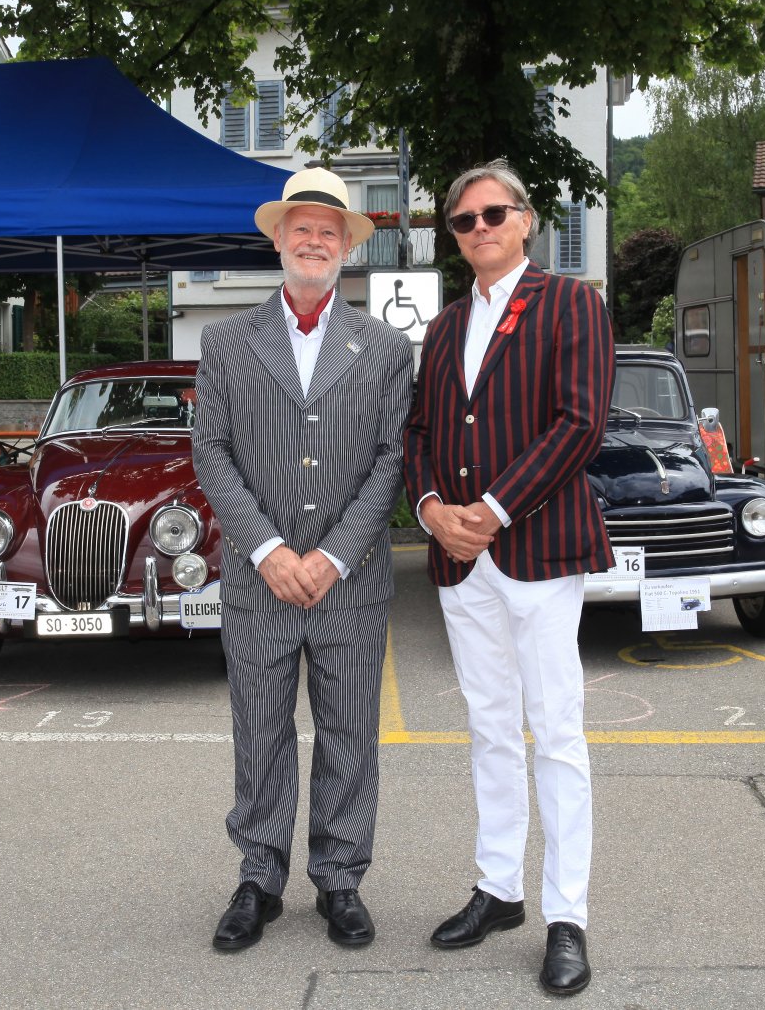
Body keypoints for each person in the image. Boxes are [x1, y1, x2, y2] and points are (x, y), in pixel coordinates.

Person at [402, 159, 615, 997]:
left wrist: (492, 508)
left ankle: (568, 915)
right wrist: (430, 508)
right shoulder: (444, 326)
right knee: (489, 727)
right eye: (464, 220)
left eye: (493, 213)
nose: (480, 227)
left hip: (536, 548)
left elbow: (580, 423)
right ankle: (499, 887)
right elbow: (420, 431)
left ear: (525, 219)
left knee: (556, 732)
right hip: (460, 558)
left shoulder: (571, 303)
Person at [190, 167, 411, 953]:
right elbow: (211, 452)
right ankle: (258, 876)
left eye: (328, 231)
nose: (314, 241)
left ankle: (340, 877)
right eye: (302, 228)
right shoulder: (226, 342)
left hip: (351, 586)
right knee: (259, 730)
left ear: (346, 247)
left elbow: (390, 461)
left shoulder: (386, 348)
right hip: (260, 582)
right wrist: (269, 548)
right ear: (279, 240)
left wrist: (335, 555)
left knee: (350, 733)